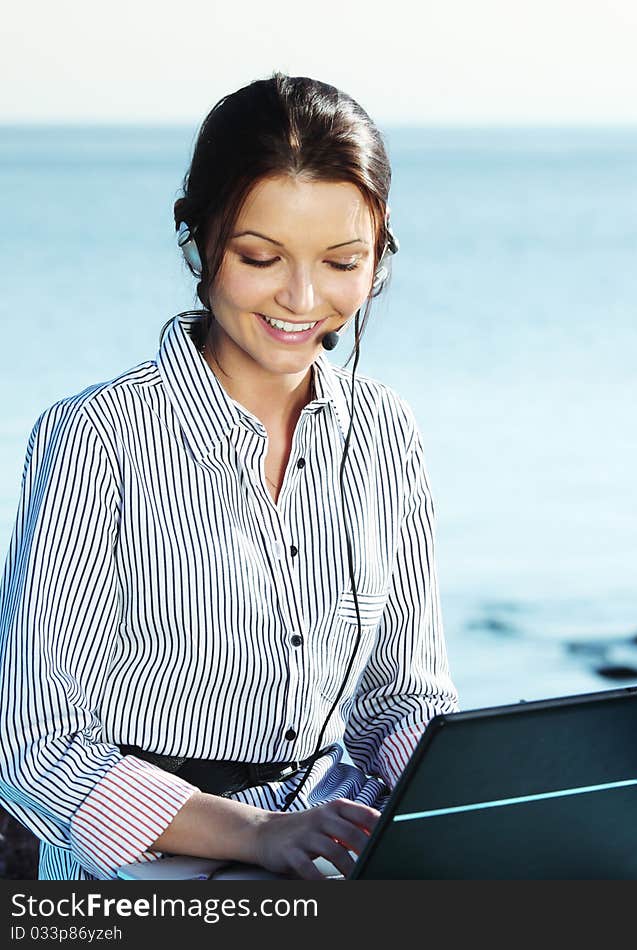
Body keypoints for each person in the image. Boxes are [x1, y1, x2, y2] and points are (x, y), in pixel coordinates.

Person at [0, 73, 459, 881]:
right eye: (260, 256)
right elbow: (32, 747)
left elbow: (399, 700)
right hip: (145, 870)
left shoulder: (387, 434)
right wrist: (255, 834)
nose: (302, 298)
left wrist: (470, 794)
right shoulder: (98, 439)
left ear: (379, 258)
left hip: (329, 844)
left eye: (342, 261)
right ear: (196, 243)